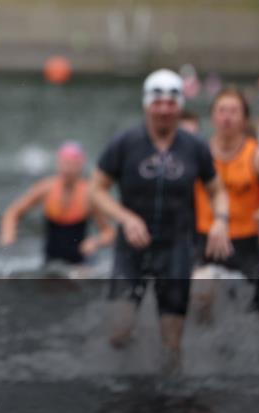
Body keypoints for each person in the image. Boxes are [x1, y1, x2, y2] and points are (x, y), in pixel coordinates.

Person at [90, 69, 230, 372]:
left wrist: (221, 219)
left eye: (171, 102)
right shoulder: (125, 142)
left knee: (172, 342)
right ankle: (125, 376)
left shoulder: (194, 146)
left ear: (179, 105)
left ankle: (170, 401)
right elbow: (96, 190)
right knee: (119, 332)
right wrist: (125, 218)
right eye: (158, 102)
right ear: (146, 104)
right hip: (132, 247)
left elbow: (217, 190)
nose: (164, 109)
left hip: (177, 248)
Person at [191, 88, 259, 317]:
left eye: (234, 111)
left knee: (251, 322)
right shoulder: (196, 154)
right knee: (201, 300)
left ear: (245, 118)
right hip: (205, 242)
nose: (227, 117)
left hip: (247, 246)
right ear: (212, 116)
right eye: (221, 111)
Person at [0, 141, 115, 268]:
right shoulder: (46, 188)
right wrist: (8, 233)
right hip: (51, 260)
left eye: (73, 164)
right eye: (65, 163)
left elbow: (109, 233)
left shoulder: (89, 195)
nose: (68, 169)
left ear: (81, 165)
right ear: (57, 164)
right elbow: (12, 212)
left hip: (80, 262)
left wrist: (95, 242)